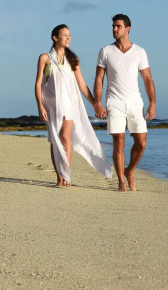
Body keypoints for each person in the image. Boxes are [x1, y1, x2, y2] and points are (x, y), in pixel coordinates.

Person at [34, 24, 113, 187]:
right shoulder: (45, 58)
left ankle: (66, 175)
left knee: (65, 137)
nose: (68, 38)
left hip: (69, 104)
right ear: (55, 37)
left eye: (69, 35)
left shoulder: (72, 59)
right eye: (64, 35)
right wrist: (40, 106)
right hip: (52, 106)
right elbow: (38, 84)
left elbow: (82, 85)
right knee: (55, 140)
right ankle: (59, 177)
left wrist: (95, 104)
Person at [93, 14, 156, 191]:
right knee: (118, 141)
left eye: (118, 26)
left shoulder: (139, 52)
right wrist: (97, 102)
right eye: (113, 26)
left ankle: (130, 170)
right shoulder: (106, 51)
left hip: (135, 102)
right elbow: (99, 79)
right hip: (114, 102)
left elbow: (147, 79)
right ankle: (121, 181)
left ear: (127, 29)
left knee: (141, 142)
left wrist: (152, 103)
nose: (114, 29)